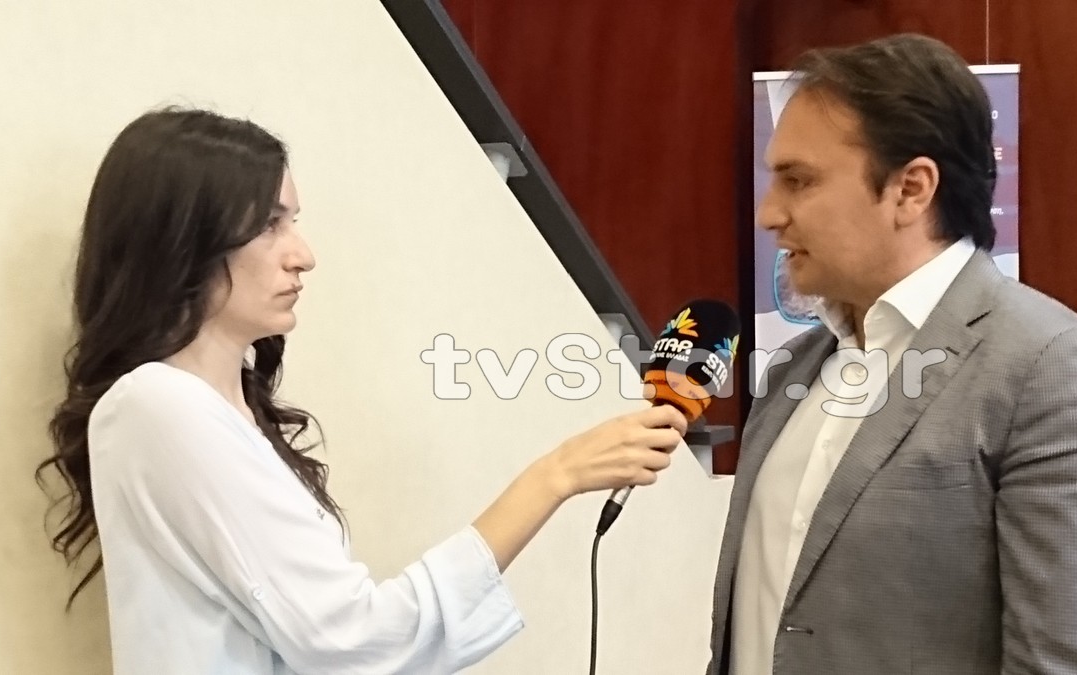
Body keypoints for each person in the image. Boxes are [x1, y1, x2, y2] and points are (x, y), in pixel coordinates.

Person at [36, 107, 688, 674]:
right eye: (269, 224)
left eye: (293, 221)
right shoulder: (156, 407)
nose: (302, 254)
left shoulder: (224, 411)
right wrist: (556, 474)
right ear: (185, 241)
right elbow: (350, 640)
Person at [709, 34, 1077, 674]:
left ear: (911, 189)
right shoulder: (794, 369)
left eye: (798, 180)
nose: (769, 213)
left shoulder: (1057, 371)